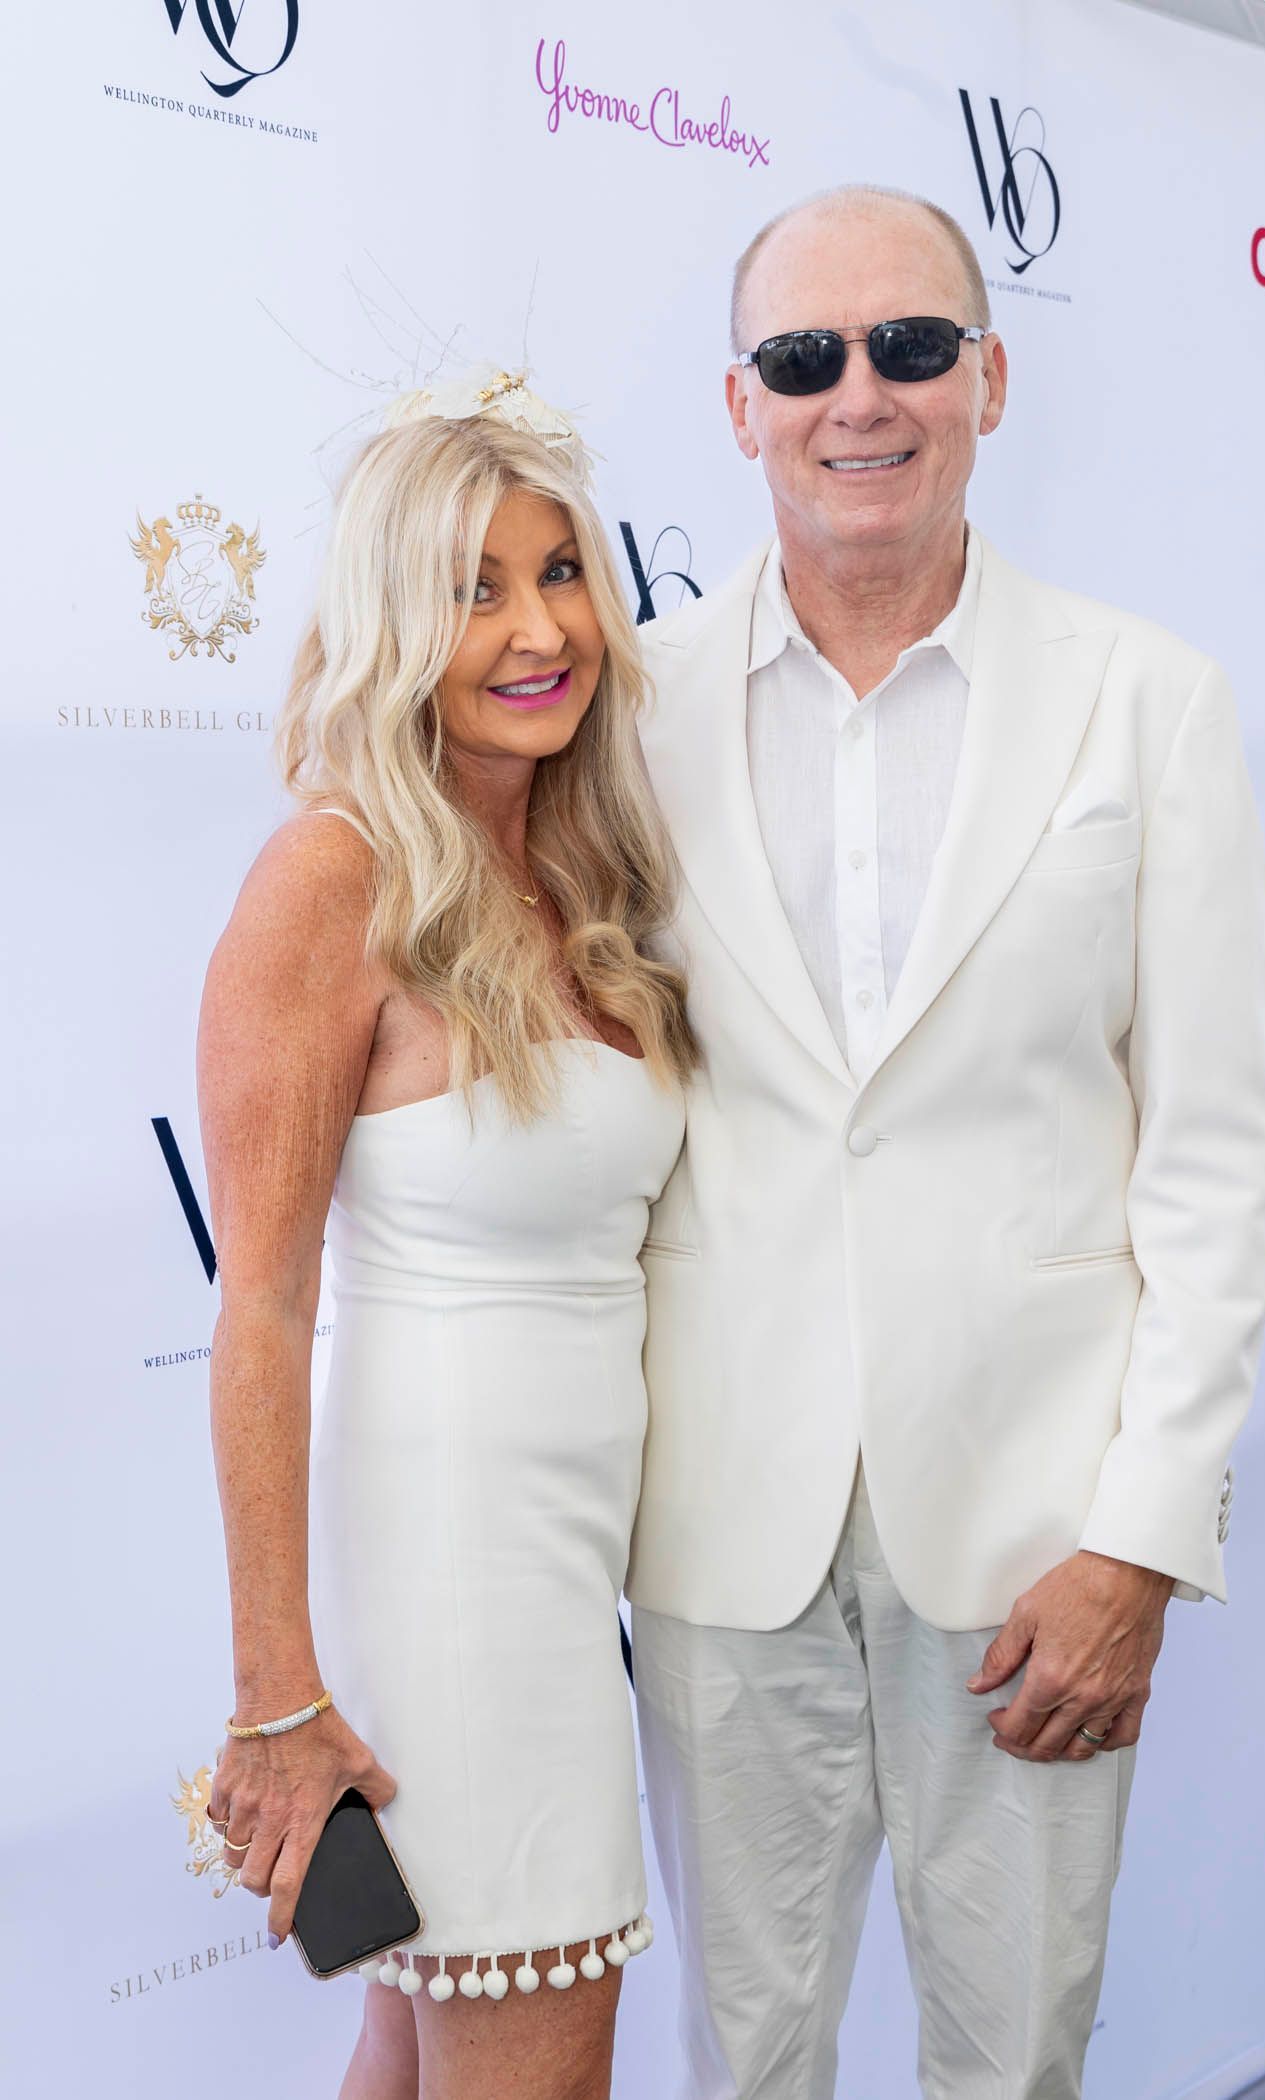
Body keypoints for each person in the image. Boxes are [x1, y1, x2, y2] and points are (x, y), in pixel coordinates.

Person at [627, 186, 1265, 2100]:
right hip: (720, 1524)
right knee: (747, 2056)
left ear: (990, 378)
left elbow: (1217, 1163)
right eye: (803, 358)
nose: (861, 396)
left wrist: (1143, 1542)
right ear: (737, 405)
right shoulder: (621, 714)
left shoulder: (1149, 702)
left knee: (1015, 2061)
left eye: (912, 347)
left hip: (1034, 1542)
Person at [197, 372, 693, 2100]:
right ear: (397, 620)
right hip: (445, 1594)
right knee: (528, 2057)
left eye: (562, 574)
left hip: (558, 1573)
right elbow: (257, 1302)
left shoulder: (587, 868)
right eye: (476, 588)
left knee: (407, 2049)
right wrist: (277, 1702)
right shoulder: (329, 879)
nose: (540, 627)